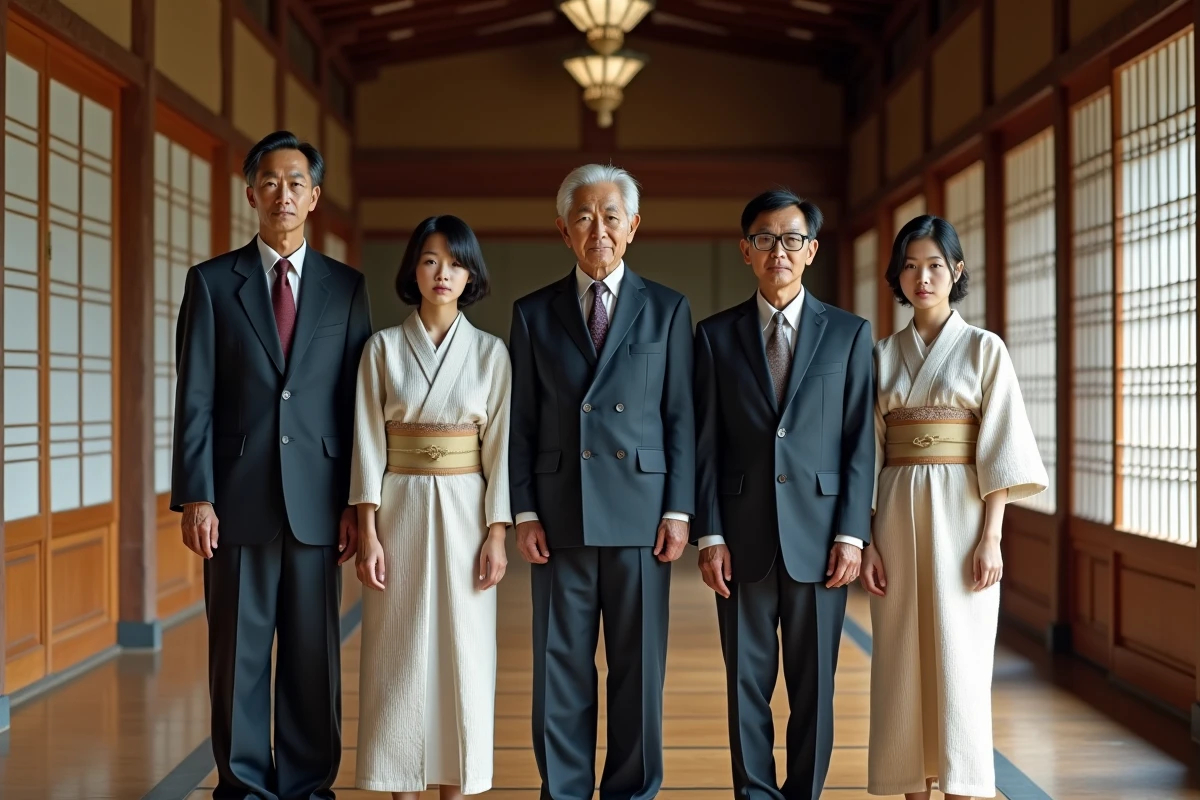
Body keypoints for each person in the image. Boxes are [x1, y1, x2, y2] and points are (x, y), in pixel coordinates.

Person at [171, 130, 373, 800]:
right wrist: (196, 496)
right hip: (236, 500)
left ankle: (309, 785)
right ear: (251, 193)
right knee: (239, 657)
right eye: (270, 182)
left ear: (314, 197)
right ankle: (244, 786)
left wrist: (357, 504)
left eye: (296, 183)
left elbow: (356, 403)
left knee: (313, 657)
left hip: (319, 502)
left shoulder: (347, 288)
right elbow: (195, 397)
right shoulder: (211, 283)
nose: (282, 194)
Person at [507, 164, 695, 800]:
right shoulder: (532, 313)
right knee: (560, 667)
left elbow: (680, 416)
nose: (599, 230)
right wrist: (525, 511)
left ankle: (631, 791)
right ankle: (563, 790)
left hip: (643, 516)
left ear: (633, 226)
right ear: (563, 230)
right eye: (584, 218)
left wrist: (679, 510)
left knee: (638, 670)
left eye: (611, 216)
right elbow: (522, 423)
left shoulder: (667, 308)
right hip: (560, 513)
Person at [692, 189, 875, 800]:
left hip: (822, 539)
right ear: (745, 250)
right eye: (765, 238)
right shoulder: (714, 336)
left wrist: (852, 534)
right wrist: (710, 533)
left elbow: (858, 443)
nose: (779, 250)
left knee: (814, 686)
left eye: (792, 238)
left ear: (811, 250)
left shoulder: (848, 334)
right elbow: (705, 443)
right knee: (745, 684)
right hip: (740, 538)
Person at [862, 215, 1047, 800]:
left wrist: (992, 536)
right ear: (897, 275)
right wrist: (866, 540)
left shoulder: (984, 349)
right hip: (895, 517)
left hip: (965, 517)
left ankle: (963, 783)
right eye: (910, 266)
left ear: (957, 270)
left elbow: (1002, 448)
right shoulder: (880, 355)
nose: (922, 278)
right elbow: (866, 454)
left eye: (935, 266)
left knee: (961, 657)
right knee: (899, 656)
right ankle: (910, 782)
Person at [349, 215, 512, 799]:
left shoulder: (491, 354)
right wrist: (367, 531)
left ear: (471, 276)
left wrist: (498, 533)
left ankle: (458, 785)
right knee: (398, 650)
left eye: (456, 263)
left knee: (465, 651)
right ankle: (400, 784)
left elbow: (500, 449)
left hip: (468, 510)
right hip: (400, 509)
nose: (443, 273)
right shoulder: (382, 349)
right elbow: (367, 443)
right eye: (430, 261)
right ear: (413, 270)